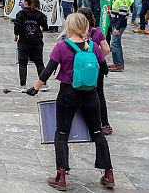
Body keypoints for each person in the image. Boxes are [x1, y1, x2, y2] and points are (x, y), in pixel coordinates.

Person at [26, 12, 114, 191]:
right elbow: (104, 69)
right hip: (91, 95)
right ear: (86, 27)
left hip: (68, 94)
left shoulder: (61, 47)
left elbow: (48, 71)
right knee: (97, 132)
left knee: (62, 133)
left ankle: (61, 177)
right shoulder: (94, 47)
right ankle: (109, 173)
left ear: (69, 27)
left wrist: (35, 88)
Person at [77, 7, 114, 135]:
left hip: (79, 69)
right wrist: (98, 61)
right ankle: (105, 124)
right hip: (95, 69)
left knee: (78, 93)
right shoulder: (97, 32)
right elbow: (107, 49)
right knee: (99, 94)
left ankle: (80, 123)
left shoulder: (77, 32)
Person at [13, 0, 48, 92]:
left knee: (23, 62)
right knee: (39, 62)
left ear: (26, 2)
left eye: (23, 1)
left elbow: (17, 26)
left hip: (24, 40)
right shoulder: (39, 14)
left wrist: (16, 35)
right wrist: (41, 30)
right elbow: (45, 25)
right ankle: (43, 84)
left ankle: (23, 85)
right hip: (37, 41)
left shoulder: (21, 14)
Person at [108, 0, 133, 72]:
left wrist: (117, 28)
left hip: (119, 24)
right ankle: (116, 63)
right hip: (115, 22)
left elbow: (123, 15)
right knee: (115, 43)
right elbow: (117, 10)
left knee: (115, 44)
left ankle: (119, 64)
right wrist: (111, 12)